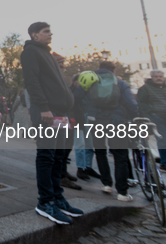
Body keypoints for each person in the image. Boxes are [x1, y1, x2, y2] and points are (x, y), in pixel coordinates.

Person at [20, 22, 82, 224]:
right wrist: (44, 106)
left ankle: (57, 198)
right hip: (47, 112)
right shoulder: (30, 52)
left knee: (58, 156)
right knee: (47, 156)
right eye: (46, 31)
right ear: (34, 35)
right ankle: (45, 202)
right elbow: (32, 81)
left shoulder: (48, 54)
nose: (50, 34)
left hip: (61, 114)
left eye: (50, 31)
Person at [74, 62, 138, 201]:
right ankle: (122, 192)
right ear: (113, 71)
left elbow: (76, 97)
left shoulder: (90, 80)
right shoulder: (120, 83)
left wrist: (86, 110)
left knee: (100, 151)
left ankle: (107, 184)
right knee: (120, 155)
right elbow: (131, 103)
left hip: (95, 120)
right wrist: (135, 117)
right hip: (117, 121)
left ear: (99, 69)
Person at [72, 72, 102, 181]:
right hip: (77, 121)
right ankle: (80, 169)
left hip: (87, 118)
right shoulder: (74, 91)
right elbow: (74, 102)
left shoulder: (88, 92)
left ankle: (87, 167)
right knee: (80, 144)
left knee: (89, 144)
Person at [137, 69, 166, 172]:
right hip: (156, 116)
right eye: (156, 76)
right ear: (152, 77)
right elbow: (141, 103)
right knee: (163, 138)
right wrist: (151, 113)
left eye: (160, 76)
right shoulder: (145, 89)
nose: (159, 78)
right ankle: (164, 163)